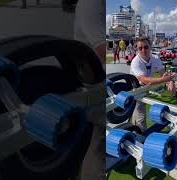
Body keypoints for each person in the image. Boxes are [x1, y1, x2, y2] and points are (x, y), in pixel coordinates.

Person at [74, 0, 104, 180]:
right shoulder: (90, 4)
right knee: (96, 140)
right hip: (94, 83)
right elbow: (104, 51)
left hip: (102, 78)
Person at [130, 36, 177, 131]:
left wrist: (171, 81)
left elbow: (163, 73)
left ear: (150, 47)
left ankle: (170, 121)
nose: (143, 50)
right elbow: (144, 79)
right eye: (140, 48)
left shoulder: (155, 58)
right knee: (140, 116)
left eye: (146, 47)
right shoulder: (135, 62)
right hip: (136, 89)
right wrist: (166, 79)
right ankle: (141, 139)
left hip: (148, 86)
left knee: (165, 98)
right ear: (137, 49)